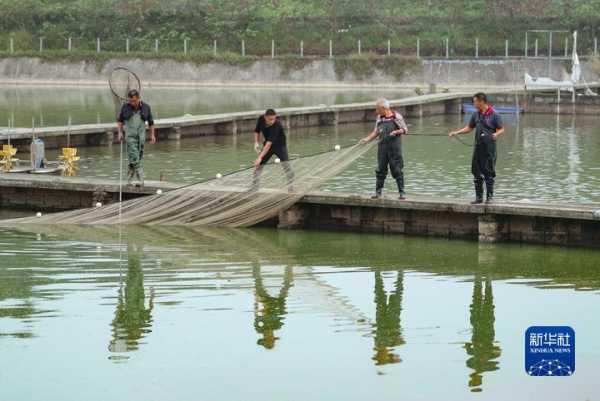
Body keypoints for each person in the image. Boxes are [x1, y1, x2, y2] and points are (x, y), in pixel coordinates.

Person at [449, 93, 505, 204]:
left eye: (475, 101)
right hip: (478, 147)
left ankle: (489, 198)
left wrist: (496, 134)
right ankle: (479, 198)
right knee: (476, 172)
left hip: (489, 148)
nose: (474, 104)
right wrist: (457, 132)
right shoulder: (476, 115)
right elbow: (469, 127)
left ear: (481, 101)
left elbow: (501, 129)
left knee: (489, 172)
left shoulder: (494, 114)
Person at [360, 98, 408, 200]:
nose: (376, 111)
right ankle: (378, 192)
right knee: (380, 170)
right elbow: (376, 132)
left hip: (395, 148)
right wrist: (366, 139)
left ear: (383, 108)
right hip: (382, 148)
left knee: (397, 170)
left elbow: (405, 130)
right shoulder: (379, 118)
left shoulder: (396, 117)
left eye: (377, 109)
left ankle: (402, 192)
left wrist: (396, 132)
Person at [117, 89, 156, 186]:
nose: (132, 103)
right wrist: (120, 133)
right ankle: (141, 177)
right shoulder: (125, 107)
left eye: (134, 101)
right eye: (130, 101)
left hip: (141, 136)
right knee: (134, 155)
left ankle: (129, 179)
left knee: (137, 157)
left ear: (139, 98)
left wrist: (152, 135)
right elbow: (120, 121)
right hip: (130, 136)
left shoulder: (146, 107)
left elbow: (151, 123)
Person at [252, 108, 294, 191]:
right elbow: (257, 131)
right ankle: (254, 189)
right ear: (265, 117)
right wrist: (256, 142)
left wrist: (259, 157)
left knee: (287, 167)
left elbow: (268, 144)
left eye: (274, 119)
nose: (272, 121)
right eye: (270, 119)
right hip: (268, 145)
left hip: (280, 146)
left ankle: (290, 188)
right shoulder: (261, 119)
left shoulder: (277, 125)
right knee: (258, 166)